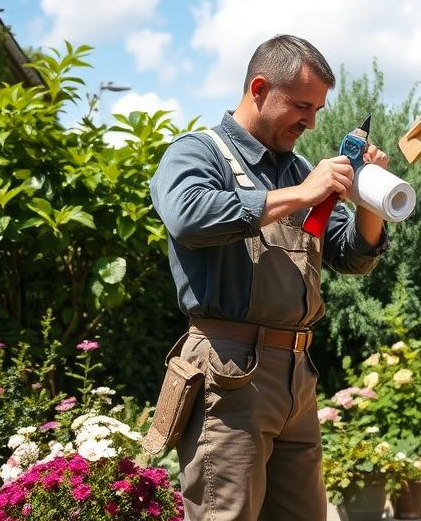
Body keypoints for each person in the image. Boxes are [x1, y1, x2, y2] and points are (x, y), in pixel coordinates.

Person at [150, 35, 389, 521]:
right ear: (259, 88)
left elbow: (352, 256)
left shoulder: (299, 169)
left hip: (297, 375)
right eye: (302, 105)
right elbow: (189, 217)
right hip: (228, 371)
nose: (311, 121)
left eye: (319, 109)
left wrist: (368, 200)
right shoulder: (199, 152)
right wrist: (303, 194)